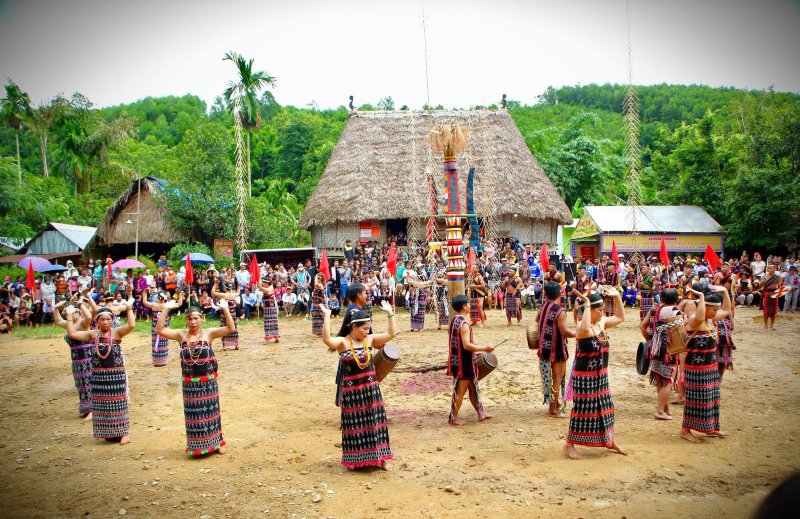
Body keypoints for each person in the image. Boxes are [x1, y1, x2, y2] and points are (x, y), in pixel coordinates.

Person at [320, 301, 397, 470]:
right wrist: (327, 317)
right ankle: (355, 460)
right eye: (364, 328)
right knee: (355, 426)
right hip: (352, 393)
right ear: (354, 327)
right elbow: (327, 340)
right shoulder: (343, 343)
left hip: (371, 391)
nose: (367, 331)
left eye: (369, 328)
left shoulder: (369, 340)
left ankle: (382, 458)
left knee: (376, 423)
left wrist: (390, 313)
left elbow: (391, 334)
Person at [156, 299, 234, 456]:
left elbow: (230, 328)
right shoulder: (181, 335)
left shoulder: (209, 333)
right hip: (190, 385)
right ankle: (196, 445)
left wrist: (225, 309)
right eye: (189, 319)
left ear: (202, 318)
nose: (192, 322)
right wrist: (165, 309)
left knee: (212, 414)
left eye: (196, 318)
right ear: (186, 320)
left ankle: (217, 443)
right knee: (194, 416)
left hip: (208, 383)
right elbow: (160, 330)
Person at [564, 288, 627, 460]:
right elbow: (585, 327)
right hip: (584, 376)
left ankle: (610, 441)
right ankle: (569, 444)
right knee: (582, 409)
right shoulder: (582, 327)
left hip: (601, 375)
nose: (602, 313)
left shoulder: (601, 323)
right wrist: (585, 303)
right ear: (590, 310)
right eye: (599, 310)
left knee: (606, 407)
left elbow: (620, 317)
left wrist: (617, 297)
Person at [65, 303, 136, 445]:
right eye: (102, 319)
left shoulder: (117, 332)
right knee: (102, 404)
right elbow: (72, 334)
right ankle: (108, 432)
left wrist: (129, 308)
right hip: (98, 375)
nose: (105, 322)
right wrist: (68, 315)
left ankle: (124, 433)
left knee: (118, 403)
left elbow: (131, 325)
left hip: (115, 374)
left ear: (112, 320)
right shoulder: (92, 334)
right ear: (96, 321)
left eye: (108, 319)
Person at [680, 284, 730, 443]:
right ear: (705, 307)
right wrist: (701, 297)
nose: (716, 312)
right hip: (696, 369)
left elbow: (727, 310)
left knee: (711, 399)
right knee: (695, 401)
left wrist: (725, 292)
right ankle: (685, 430)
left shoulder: (710, 320)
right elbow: (700, 317)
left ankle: (711, 427)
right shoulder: (694, 321)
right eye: (714, 309)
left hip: (710, 367)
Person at [447, 294, 494, 425]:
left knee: (473, 388)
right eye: (468, 304)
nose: (470, 306)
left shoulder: (454, 320)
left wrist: (476, 350)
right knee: (460, 391)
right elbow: (466, 345)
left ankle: (481, 413)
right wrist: (485, 348)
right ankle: (453, 418)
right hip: (464, 363)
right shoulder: (464, 323)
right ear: (464, 306)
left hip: (459, 359)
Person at [639, 288, 681, 420]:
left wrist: (650, 340)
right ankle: (660, 411)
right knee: (668, 380)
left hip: (655, 348)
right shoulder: (676, 311)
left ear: (661, 299)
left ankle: (664, 408)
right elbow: (681, 332)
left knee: (660, 378)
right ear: (677, 299)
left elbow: (642, 326)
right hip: (668, 350)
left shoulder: (653, 310)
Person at [537, 282, 577, 417]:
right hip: (557, 349)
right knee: (557, 378)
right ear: (560, 293)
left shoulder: (543, 306)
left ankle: (554, 404)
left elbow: (537, 320)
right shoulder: (560, 311)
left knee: (550, 378)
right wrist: (579, 333)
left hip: (544, 347)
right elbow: (565, 332)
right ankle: (553, 410)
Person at [53, 300, 95, 418]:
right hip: (76, 359)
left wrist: (80, 304)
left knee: (88, 383)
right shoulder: (70, 323)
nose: (68, 314)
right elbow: (58, 321)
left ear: (77, 312)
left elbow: (89, 317)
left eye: (71, 312)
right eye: (66, 312)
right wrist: (56, 308)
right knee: (81, 384)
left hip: (87, 358)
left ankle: (93, 410)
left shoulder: (82, 323)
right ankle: (86, 408)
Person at [142, 291, 173, 367]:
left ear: (158, 298)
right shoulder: (167, 305)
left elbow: (144, 301)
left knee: (156, 342)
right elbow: (179, 304)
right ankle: (162, 360)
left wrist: (145, 293)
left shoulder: (154, 305)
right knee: (163, 342)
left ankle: (157, 361)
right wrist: (180, 295)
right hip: (164, 326)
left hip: (156, 326)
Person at [212, 279, 242, 350]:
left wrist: (215, 284)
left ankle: (225, 345)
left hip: (225, 314)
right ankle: (236, 344)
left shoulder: (224, 295)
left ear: (225, 288)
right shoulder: (234, 294)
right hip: (233, 314)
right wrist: (238, 286)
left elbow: (213, 292)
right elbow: (238, 292)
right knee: (234, 327)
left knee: (224, 327)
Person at [256, 278, 280, 343]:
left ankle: (270, 337)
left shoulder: (269, 289)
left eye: (263, 283)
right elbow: (260, 287)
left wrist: (258, 278)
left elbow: (260, 287)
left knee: (269, 323)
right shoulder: (270, 287)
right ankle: (276, 337)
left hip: (269, 309)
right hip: (270, 308)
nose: (263, 284)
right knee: (273, 323)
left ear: (266, 283)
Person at [761, 265, 781, 331]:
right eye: (768, 268)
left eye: (771, 268)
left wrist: (779, 293)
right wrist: (762, 282)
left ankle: (772, 326)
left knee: (773, 310)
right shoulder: (764, 277)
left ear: (774, 269)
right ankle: (766, 325)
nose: (769, 269)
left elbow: (779, 287)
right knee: (765, 310)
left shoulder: (778, 277)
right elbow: (760, 286)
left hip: (774, 293)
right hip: (766, 293)